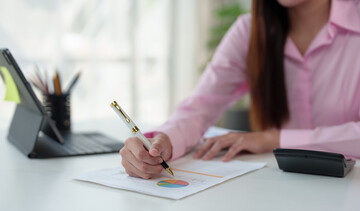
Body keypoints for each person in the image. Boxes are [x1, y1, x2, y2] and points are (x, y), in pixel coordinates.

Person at [120, 0, 360, 179]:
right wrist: (163, 141)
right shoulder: (249, 32)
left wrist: (274, 139)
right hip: (282, 192)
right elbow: (200, 107)